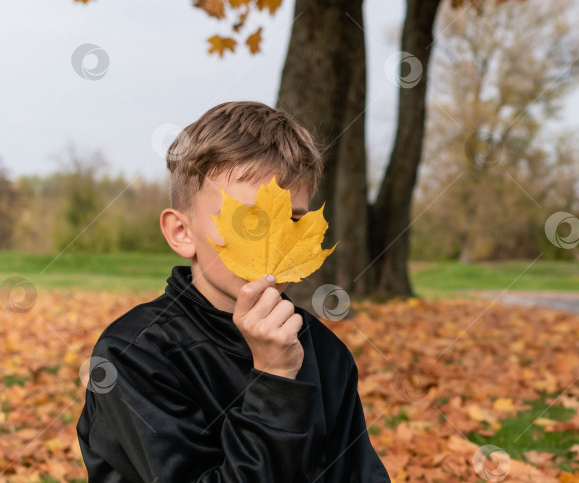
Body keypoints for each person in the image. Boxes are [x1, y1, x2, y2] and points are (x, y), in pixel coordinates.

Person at [76, 101, 390, 482]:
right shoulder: (134, 355)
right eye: (248, 219)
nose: (271, 240)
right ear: (182, 232)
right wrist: (274, 381)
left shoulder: (324, 352)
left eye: (293, 219)